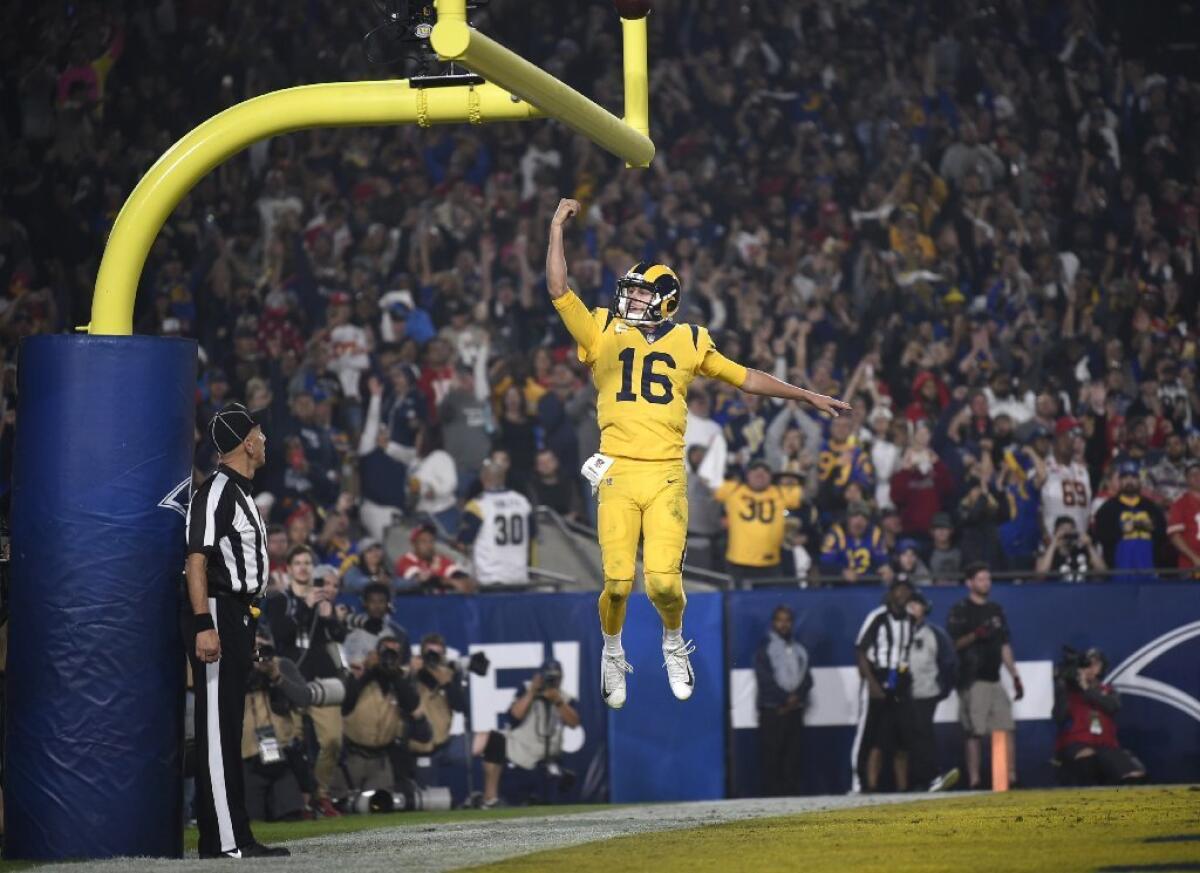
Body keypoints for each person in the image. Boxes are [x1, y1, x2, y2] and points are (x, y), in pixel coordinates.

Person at [546, 198, 849, 709]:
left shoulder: (690, 339)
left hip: (665, 474)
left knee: (664, 582)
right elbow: (559, 288)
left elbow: (746, 377)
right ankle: (613, 650)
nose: (631, 300)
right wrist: (556, 227)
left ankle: (671, 641)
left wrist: (804, 393)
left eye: (642, 294)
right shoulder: (601, 329)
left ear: (664, 302)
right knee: (618, 585)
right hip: (617, 471)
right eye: (631, 292)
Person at [185, 402, 290, 857]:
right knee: (217, 731)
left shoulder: (242, 491)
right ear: (247, 441)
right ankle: (227, 840)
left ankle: (229, 835)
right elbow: (196, 561)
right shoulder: (217, 492)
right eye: (260, 432)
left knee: (228, 726)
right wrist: (204, 623)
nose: (265, 440)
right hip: (219, 610)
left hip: (239, 613)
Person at [262, 547, 348, 818]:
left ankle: (320, 793)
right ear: (288, 568)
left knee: (332, 740)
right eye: (297, 562)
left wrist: (330, 616)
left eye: (307, 563)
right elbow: (279, 634)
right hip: (290, 679)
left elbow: (338, 636)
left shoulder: (322, 598)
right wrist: (304, 606)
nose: (303, 567)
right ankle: (300, 799)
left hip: (321, 681)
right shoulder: (279, 599)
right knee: (292, 743)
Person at [946, 563, 1023, 790]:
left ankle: (1008, 777)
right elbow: (953, 645)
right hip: (972, 678)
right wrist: (975, 635)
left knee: (1005, 727)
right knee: (975, 732)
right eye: (980, 579)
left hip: (994, 677)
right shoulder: (960, 610)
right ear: (969, 583)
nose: (985, 583)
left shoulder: (996, 610)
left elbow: (1004, 645)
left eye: (988, 579)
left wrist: (1015, 675)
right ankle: (975, 780)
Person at [477, 659, 581, 807]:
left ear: (561, 678)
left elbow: (574, 723)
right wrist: (532, 692)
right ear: (540, 676)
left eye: (555, 677)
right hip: (520, 760)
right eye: (548, 676)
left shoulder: (565, 698)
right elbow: (514, 716)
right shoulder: (526, 690)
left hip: (547, 762)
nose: (552, 681)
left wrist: (557, 701)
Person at [241, 628, 317, 823]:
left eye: (263, 648)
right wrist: (247, 668)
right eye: (254, 648)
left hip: (281, 753)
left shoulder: (282, 665)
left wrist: (277, 677)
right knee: (252, 820)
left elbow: (304, 698)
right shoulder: (234, 667)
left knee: (291, 817)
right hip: (246, 754)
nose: (260, 654)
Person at [336, 637, 429, 797]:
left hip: (381, 761)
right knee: (344, 805)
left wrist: (394, 674)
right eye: (386, 651)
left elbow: (412, 704)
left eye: (395, 653)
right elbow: (346, 704)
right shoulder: (358, 675)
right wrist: (370, 670)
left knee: (380, 809)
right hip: (352, 757)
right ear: (377, 653)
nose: (390, 656)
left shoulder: (401, 682)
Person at [853, 579, 916, 792]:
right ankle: (863, 784)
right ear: (891, 592)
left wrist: (903, 681)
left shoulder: (910, 620)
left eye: (906, 589)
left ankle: (903, 789)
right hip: (877, 678)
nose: (903, 593)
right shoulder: (877, 617)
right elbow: (861, 651)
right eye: (899, 589)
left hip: (899, 680)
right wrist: (871, 684)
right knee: (871, 736)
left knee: (902, 740)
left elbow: (906, 654)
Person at [1052, 647, 1146, 786]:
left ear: (1101, 668)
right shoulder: (1069, 692)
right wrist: (1062, 687)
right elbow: (1058, 717)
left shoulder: (1108, 691)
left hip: (1105, 746)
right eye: (1087, 664)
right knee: (1088, 757)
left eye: (1095, 664)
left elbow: (1113, 707)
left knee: (1134, 774)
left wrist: (1087, 688)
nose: (1090, 668)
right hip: (1077, 745)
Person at [753, 606, 812, 796]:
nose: (784, 624)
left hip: (794, 712)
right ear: (773, 623)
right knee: (772, 758)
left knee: (793, 758)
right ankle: (772, 801)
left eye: (787, 620)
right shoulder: (765, 649)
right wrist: (786, 700)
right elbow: (765, 679)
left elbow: (807, 680)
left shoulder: (799, 650)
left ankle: (792, 801)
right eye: (780, 620)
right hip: (773, 711)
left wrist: (795, 700)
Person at [715, 461, 803, 587]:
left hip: (770, 563)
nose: (760, 473)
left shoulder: (780, 492)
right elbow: (707, 480)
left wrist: (801, 468)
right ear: (747, 474)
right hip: (738, 562)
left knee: (767, 602)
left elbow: (808, 492)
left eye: (765, 471)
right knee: (739, 602)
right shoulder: (733, 489)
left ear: (771, 477)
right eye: (755, 470)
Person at [905, 592, 960, 793]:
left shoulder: (934, 633)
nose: (912, 607)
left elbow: (949, 661)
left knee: (923, 732)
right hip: (902, 695)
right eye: (909, 603)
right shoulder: (898, 631)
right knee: (906, 737)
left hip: (926, 692)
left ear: (924, 608)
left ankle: (929, 776)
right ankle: (911, 780)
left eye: (916, 604)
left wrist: (942, 689)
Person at [458, 458, 536, 587]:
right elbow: (532, 535)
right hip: (519, 577)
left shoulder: (478, 505)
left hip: (489, 579)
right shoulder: (522, 502)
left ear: (483, 479)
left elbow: (463, 543)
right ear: (504, 477)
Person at [1093, 460, 1169, 583]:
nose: (1129, 481)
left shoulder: (1151, 507)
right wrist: (1121, 530)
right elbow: (1101, 536)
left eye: (1133, 477)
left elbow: (1163, 535)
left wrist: (1152, 528)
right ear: (1120, 481)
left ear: (1140, 480)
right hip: (1118, 571)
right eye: (1125, 477)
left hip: (1149, 569)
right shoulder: (1108, 508)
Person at [1041, 417, 1092, 539]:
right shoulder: (1044, 468)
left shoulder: (1083, 471)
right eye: (1071, 433)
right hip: (1053, 542)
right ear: (1059, 438)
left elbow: (1087, 511)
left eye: (1078, 434)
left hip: (1079, 541)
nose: (1075, 439)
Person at [819, 502, 891, 585]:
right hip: (840, 588)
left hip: (868, 586)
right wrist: (842, 571)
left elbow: (881, 558)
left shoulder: (875, 533)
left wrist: (885, 567)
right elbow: (825, 563)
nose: (859, 521)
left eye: (864, 517)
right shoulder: (835, 533)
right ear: (848, 518)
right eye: (855, 516)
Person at [394, 523, 475, 594]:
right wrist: (452, 582)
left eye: (431, 541)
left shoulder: (440, 559)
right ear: (414, 544)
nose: (429, 545)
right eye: (423, 541)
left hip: (442, 606)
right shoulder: (405, 561)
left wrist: (466, 581)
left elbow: (457, 574)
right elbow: (424, 581)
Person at [1036, 516, 1107, 582]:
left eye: (1071, 529)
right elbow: (1040, 576)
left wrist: (1089, 546)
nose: (1068, 532)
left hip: (1084, 591)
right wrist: (1053, 544)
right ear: (1056, 532)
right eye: (1063, 529)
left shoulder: (1084, 550)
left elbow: (1103, 572)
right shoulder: (1050, 553)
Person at [1167, 460, 1200, 572]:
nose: (1197, 477)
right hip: (1190, 566)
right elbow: (1175, 536)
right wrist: (1195, 558)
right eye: (1193, 474)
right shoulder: (1180, 503)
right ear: (1186, 479)